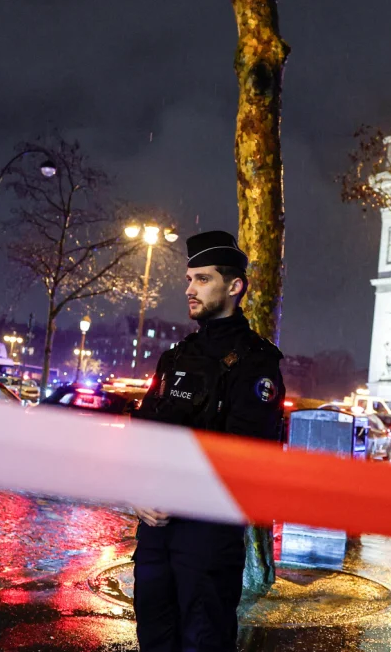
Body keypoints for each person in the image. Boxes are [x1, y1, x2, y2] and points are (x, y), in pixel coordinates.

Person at [130, 230, 285, 652]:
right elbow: (141, 435)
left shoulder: (257, 363)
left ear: (234, 287)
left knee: (203, 642)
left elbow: (244, 457)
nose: (189, 289)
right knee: (154, 639)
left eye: (202, 279)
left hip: (208, 538)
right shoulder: (175, 357)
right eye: (189, 279)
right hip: (156, 532)